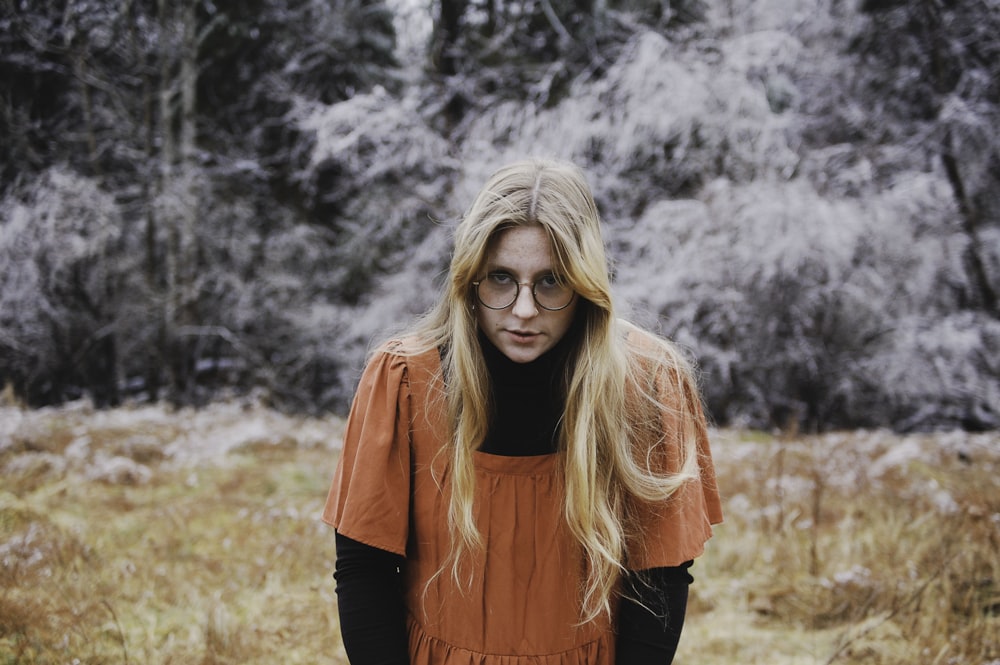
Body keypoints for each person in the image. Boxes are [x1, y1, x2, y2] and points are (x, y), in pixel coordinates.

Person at [322, 158, 723, 665]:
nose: (524, 309)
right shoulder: (403, 381)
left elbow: (660, 579)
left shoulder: (645, 383)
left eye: (551, 281)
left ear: (584, 283)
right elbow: (364, 569)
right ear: (469, 278)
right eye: (501, 279)